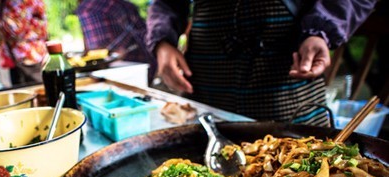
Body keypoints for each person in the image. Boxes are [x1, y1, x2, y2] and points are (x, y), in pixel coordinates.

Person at [146, 0, 378, 126]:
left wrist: (322, 30)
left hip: (288, 81)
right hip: (208, 78)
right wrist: (162, 41)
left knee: (298, 167)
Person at [76, 0, 157, 84]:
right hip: (143, 65)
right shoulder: (125, 5)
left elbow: (96, 49)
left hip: (129, 68)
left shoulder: (88, 8)